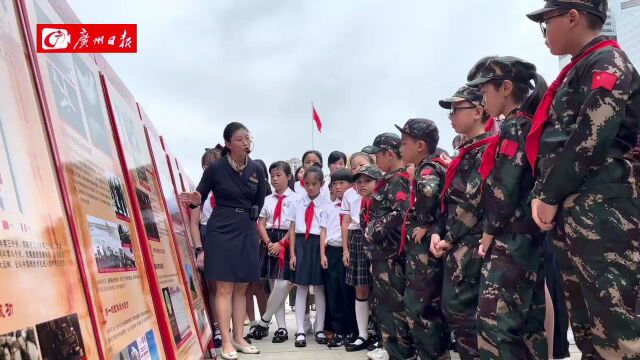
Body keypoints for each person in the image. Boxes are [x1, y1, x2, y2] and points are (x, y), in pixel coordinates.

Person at [526, 1, 640, 357]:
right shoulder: (580, 69)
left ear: (572, 17)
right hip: (578, 209)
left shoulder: (607, 63)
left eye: (547, 24)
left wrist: (548, 194)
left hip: (603, 210)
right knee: (588, 325)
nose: (545, 35)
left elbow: (589, 137)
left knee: (617, 327)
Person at [467, 56, 549, 358]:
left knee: (494, 324)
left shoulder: (515, 126)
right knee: (527, 325)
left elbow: (505, 187)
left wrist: (488, 232)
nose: (482, 99)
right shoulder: (523, 124)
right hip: (524, 237)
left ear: (505, 88)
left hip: (510, 238)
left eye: (485, 91)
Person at [179, 122, 265, 360]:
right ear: (228, 144)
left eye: (248, 138)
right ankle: (225, 341)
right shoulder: (215, 168)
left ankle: (239, 337)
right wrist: (196, 198)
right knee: (224, 287)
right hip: (221, 228)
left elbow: (259, 200)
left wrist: (250, 222)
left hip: (247, 228)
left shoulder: (256, 169)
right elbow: (199, 197)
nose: (246, 142)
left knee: (241, 285)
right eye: (240, 139)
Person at [431, 85, 492, 360]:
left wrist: (449, 237)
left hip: (469, 240)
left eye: (457, 110)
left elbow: (474, 202)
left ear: (478, 111)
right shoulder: (466, 152)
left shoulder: (487, 150)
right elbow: (448, 201)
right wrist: (437, 232)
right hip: (455, 240)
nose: (451, 116)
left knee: (466, 312)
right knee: (456, 309)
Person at [396, 118, 450, 360]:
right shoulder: (429, 166)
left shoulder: (427, 169)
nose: (400, 148)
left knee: (421, 308)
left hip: (424, 252)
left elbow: (429, 192)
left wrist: (426, 222)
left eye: (404, 143)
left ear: (420, 145)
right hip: (425, 248)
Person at [363, 134, 414, 360]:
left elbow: (401, 212)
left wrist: (374, 229)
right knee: (385, 308)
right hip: (383, 255)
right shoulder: (390, 179)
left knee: (394, 309)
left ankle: (402, 353)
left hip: (392, 256)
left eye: (377, 155)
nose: (375, 160)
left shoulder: (398, 180)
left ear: (390, 154)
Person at [251, 161, 298, 343]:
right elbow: (261, 223)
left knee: (283, 284)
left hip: (287, 239)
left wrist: (281, 243)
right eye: (272, 176)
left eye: (279, 175)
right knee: (273, 286)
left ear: (288, 176)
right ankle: (282, 328)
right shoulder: (268, 199)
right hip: (269, 240)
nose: (275, 179)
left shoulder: (295, 199)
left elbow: (294, 226)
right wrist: (269, 242)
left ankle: (264, 321)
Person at [288, 166, 330, 347]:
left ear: (322, 183)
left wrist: (322, 254)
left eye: (314, 184)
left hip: (318, 244)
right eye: (307, 184)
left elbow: (324, 230)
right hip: (301, 245)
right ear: (302, 183)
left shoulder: (326, 203)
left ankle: (319, 328)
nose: (311, 187)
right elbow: (291, 228)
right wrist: (292, 254)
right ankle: (300, 330)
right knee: (301, 286)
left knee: (319, 287)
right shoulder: (297, 201)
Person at [340, 152, 376, 351]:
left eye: (362, 165)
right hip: (356, 238)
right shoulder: (349, 193)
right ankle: (363, 334)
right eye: (354, 167)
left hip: (377, 237)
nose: (358, 170)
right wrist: (345, 250)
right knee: (360, 287)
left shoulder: (380, 189)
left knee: (380, 289)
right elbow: (345, 222)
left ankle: (380, 333)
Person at [188, 148, 223, 348]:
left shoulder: (228, 188)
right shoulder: (199, 191)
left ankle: (231, 330)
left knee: (228, 286)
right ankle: (218, 328)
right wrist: (199, 250)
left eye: (213, 164)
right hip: (207, 236)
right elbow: (194, 223)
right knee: (214, 286)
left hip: (227, 237)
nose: (209, 168)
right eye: (206, 165)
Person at [321, 168, 356, 348]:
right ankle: (337, 330)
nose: (338, 187)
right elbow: (323, 231)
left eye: (342, 183)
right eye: (334, 184)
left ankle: (351, 329)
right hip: (332, 251)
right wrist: (323, 254)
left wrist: (347, 250)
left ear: (351, 185)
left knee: (348, 291)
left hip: (349, 251)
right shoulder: (329, 207)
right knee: (333, 290)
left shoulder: (355, 203)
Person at [245, 159, 271, 339]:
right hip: (243, 236)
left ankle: (264, 323)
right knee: (244, 285)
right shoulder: (242, 187)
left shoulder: (267, 192)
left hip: (259, 239)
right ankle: (252, 322)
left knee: (258, 285)